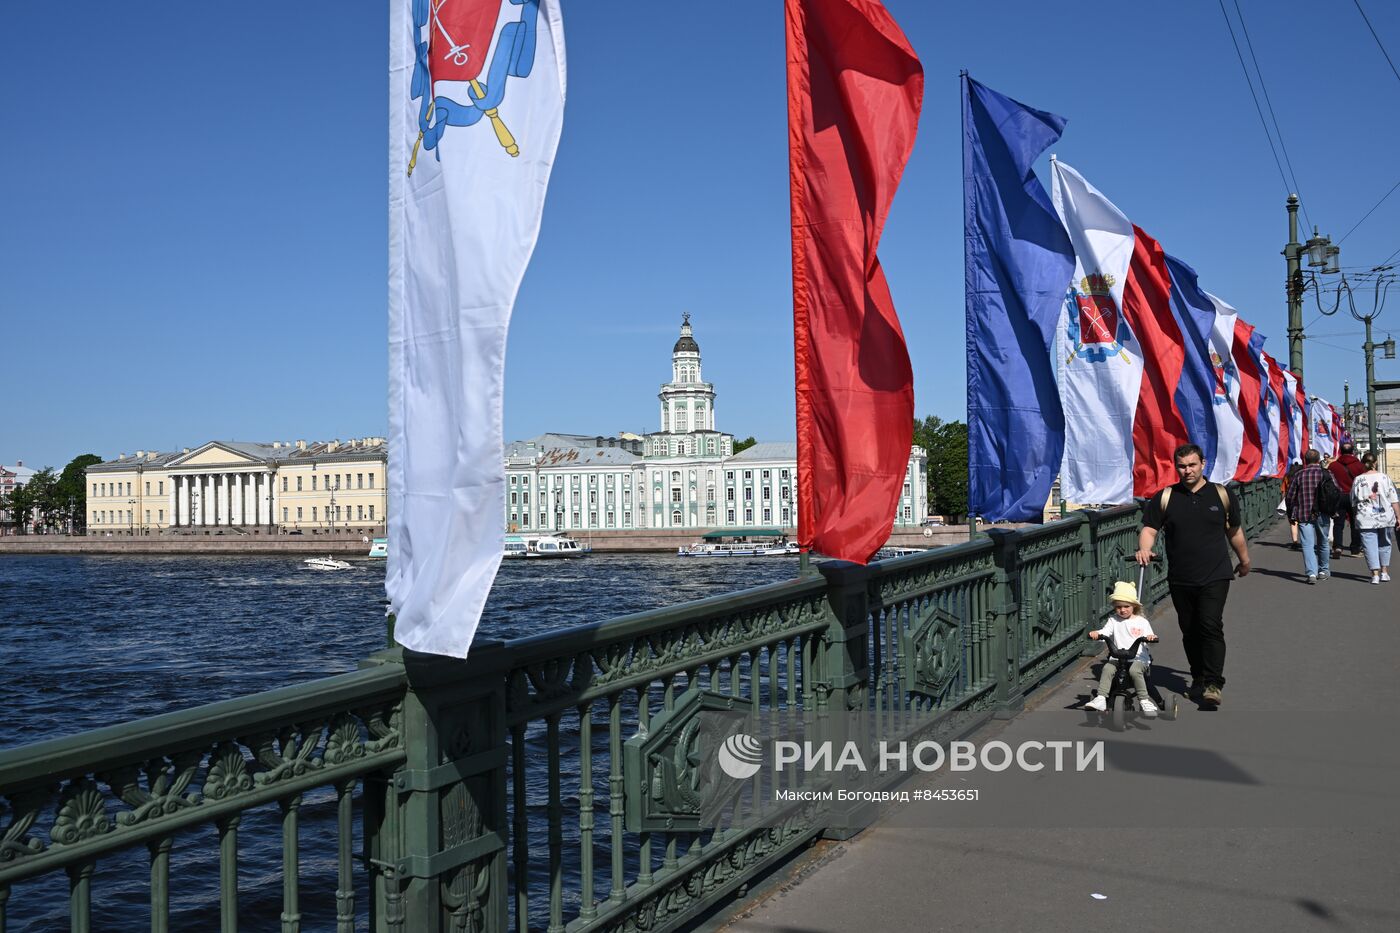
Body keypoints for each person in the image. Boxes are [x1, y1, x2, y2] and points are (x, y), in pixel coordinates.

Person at [1137, 444, 1250, 708]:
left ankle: (1213, 683)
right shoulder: (1166, 497)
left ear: (1203, 464)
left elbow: (1234, 531)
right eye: (1182, 466)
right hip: (1181, 576)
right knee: (1189, 630)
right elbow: (1150, 529)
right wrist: (1144, 548)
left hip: (1216, 573)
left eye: (1192, 465)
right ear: (1176, 467)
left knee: (1210, 625)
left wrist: (1244, 560)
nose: (1187, 470)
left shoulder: (1221, 494)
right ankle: (1198, 677)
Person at [1084, 581, 1159, 716]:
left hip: (1138, 658)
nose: (1122, 610)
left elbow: (1149, 638)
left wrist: (1151, 637)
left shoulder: (1141, 622)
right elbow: (1105, 632)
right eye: (1118, 607)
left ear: (1134, 606)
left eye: (1126, 606)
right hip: (1117, 657)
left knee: (1135, 671)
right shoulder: (1113, 620)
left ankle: (1144, 700)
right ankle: (1101, 698)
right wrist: (1097, 634)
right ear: (1114, 606)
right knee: (1108, 668)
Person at [1285, 449, 1334, 585]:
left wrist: (1290, 512)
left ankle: (1311, 573)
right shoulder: (1326, 473)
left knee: (1307, 545)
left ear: (1305, 461)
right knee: (1323, 542)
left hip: (1303, 513)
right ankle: (1323, 570)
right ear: (1319, 460)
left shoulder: (1299, 475)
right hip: (1323, 513)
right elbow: (1337, 491)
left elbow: (1290, 496)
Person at [1351, 452, 1400, 584]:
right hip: (1385, 517)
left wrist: (1356, 515)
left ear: (1363, 464)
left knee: (1369, 545)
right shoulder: (1385, 478)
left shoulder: (1358, 480)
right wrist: (1398, 516)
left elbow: (1353, 501)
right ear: (1375, 463)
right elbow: (1394, 499)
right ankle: (1384, 572)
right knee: (1385, 543)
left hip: (1365, 518)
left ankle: (1375, 575)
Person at [1327, 442, 1367, 559]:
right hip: (1354, 496)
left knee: (1338, 523)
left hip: (1338, 496)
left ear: (1340, 451)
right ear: (1352, 451)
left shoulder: (1333, 466)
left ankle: (1337, 546)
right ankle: (1355, 549)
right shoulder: (1359, 466)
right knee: (1355, 523)